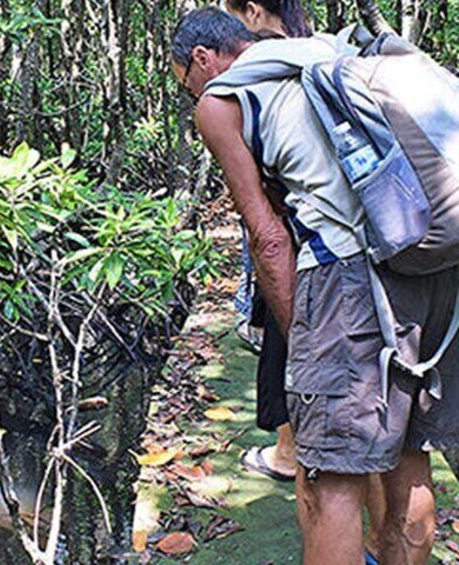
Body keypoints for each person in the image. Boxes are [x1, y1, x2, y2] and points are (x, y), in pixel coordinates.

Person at [170, 8, 459, 564]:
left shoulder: (220, 99)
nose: (192, 95)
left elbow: (268, 238)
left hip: (348, 274)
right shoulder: (324, 53)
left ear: (203, 59)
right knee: (408, 454)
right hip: (433, 263)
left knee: (331, 484)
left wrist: (300, 338)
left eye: (186, 82)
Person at [225, 0, 311, 485]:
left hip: (304, 233)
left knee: (288, 335)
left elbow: (268, 231)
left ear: (254, 12)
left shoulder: (259, 69)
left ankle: (288, 453)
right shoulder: (319, 53)